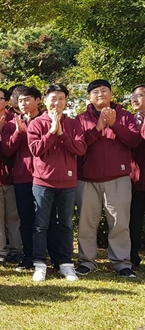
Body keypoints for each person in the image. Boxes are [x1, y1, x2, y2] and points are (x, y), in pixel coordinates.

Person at [76, 79, 140, 277]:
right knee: (86, 223)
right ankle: (87, 261)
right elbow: (78, 147)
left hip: (118, 178)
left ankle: (122, 263)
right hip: (87, 179)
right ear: (89, 97)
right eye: (95, 91)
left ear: (112, 94)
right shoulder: (80, 119)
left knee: (119, 222)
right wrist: (97, 127)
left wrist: (114, 125)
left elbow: (135, 140)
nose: (100, 94)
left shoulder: (125, 116)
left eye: (104, 91)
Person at [27, 84, 87, 281]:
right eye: (53, 98)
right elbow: (36, 150)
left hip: (68, 183)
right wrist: (52, 131)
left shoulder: (73, 123)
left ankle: (65, 263)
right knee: (41, 224)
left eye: (61, 98)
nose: (57, 102)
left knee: (66, 225)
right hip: (43, 182)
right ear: (45, 101)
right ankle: (39, 263)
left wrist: (62, 134)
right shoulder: (36, 124)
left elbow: (80, 149)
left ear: (65, 101)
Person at [1, 86, 43, 271]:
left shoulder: (46, 120)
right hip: (21, 177)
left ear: (38, 100)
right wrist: (19, 132)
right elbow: (6, 151)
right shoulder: (12, 123)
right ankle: (29, 256)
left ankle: (49, 256)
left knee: (45, 220)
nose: (23, 104)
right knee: (26, 220)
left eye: (27, 99)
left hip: (43, 177)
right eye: (20, 101)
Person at [0, 88, 22, 265]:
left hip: (11, 177)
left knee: (13, 217)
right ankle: (1, 250)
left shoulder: (13, 121)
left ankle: (16, 249)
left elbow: (9, 151)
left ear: (7, 102)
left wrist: (1, 133)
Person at [129, 84, 145, 269]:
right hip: (134, 180)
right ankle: (132, 257)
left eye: (139, 95)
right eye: (133, 96)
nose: (134, 99)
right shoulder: (130, 120)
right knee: (133, 221)